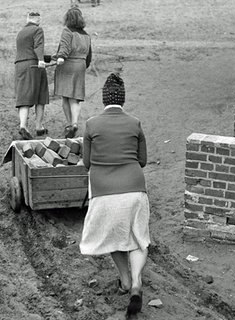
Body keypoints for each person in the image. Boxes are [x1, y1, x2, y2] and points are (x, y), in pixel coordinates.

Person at [79, 73, 150, 317]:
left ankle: (125, 281)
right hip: (134, 189)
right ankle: (138, 284)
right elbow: (142, 160)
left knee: (114, 237)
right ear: (123, 99)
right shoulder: (135, 123)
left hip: (104, 192)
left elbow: (87, 163)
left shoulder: (91, 125)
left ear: (104, 99)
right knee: (139, 238)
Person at [53, 7, 92, 138]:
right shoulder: (86, 35)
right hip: (80, 66)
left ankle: (69, 124)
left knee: (65, 96)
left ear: (67, 19)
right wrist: (82, 66)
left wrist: (61, 57)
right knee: (75, 98)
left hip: (67, 65)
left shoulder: (67, 31)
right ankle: (75, 124)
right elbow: (89, 56)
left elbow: (65, 47)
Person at [14, 11, 49, 140]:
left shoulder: (21, 32)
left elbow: (28, 50)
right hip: (34, 67)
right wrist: (41, 60)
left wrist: (48, 58)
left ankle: (23, 126)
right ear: (38, 20)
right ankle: (39, 127)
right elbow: (38, 46)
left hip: (20, 65)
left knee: (24, 95)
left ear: (27, 19)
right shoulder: (38, 30)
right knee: (41, 95)